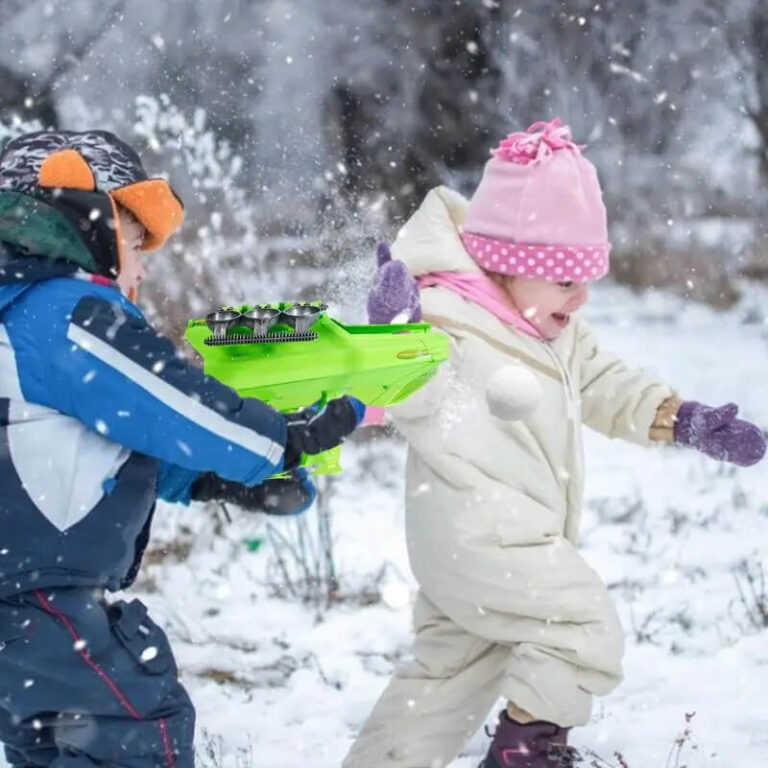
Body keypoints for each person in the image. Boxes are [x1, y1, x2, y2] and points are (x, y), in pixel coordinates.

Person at [346, 118, 766, 768]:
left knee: (445, 682)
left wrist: (683, 418)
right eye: (565, 278)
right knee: (582, 626)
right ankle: (527, 754)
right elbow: (414, 395)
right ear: (507, 267)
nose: (582, 294)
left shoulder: (548, 324)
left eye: (586, 275)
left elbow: (602, 381)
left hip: (479, 543)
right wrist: (394, 339)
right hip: (483, 538)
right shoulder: (448, 324)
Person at [0, 129, 363, 767]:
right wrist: (282, 440)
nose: (139, 270)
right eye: (135, 245)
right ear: (84, 219)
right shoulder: (65, 312)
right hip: (39, 601)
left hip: (22, 612)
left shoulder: (17, 319)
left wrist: (205, 479)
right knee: (137, 734)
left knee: (67, 749)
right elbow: (171, 400)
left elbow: (83, 443)